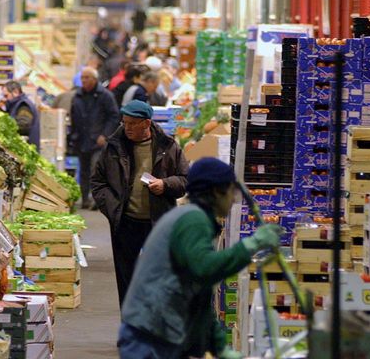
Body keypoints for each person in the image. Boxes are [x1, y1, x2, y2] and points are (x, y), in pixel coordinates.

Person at [118, 157, 282, 359]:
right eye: (231, 192)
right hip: (149, 337)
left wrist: (219, 347)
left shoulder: (191, 218)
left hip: (159, 331)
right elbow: (205, 269)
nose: (233, 200)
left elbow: (199, 295)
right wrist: (250, 245)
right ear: (216, 192)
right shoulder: (193, 221)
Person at [91, 100, 189, 306]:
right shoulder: (114, 146)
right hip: (126, 222)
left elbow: (185, 180)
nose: (127, 128)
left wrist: (165, 184)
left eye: (133, 124)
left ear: (146, 123)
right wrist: (112, 208)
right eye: (124, 122)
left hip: (158, 222)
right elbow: (98, 181)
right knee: (127, 281)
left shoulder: (168, 146)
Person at [71, 67, 120, 209]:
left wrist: (105, 135)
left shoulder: (105, 95)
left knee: (95, 169)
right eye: (82, 78)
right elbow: (74, 116)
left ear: (94, 79)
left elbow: (114, 116)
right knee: (84, 170)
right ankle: (85, 198)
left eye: (87, 78)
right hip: (82, 139)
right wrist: (73, 136)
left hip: (98, 141)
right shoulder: (77, 96)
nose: (84, 81)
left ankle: (95, 199)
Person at [1, 80, 40, 150]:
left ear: (15, 92)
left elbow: (24, 125)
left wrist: (4, 127)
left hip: (27, 149)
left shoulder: (23, 106)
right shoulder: (17, 105)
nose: (4, 99)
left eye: (6, 95)